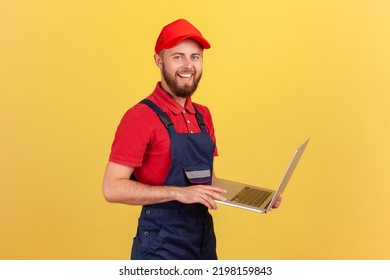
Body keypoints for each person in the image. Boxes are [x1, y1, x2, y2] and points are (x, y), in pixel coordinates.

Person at [103, 18, 282, 260]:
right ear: (159, 60)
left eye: (195, 57)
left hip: (202, 237)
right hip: (160, 243)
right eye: (178, 57)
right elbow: (112, 188)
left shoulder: (203, 115)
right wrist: (179, 193)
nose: (188, 65)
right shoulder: (140, 117)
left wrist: (255, 198)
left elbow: (209, 180)